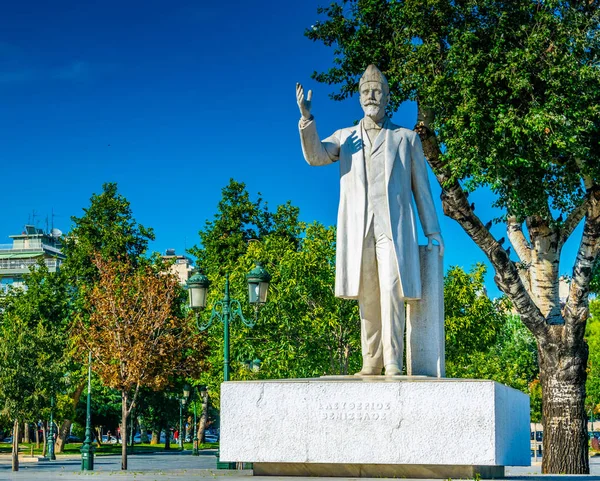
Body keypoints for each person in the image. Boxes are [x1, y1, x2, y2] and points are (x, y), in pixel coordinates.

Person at [297, 65, 444, 376]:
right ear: (359, 97)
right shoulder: (345, 137)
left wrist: (432, 230)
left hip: (394, 229)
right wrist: (307, 120)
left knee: (392, 288)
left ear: (387, 97)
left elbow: (423, 189)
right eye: (366, 92)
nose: (371, 96)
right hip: (359, 227)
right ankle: (371, 360)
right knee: (368, 293)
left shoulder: (405, 139)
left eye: (377, 91)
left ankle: (392, 361)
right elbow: (316, 156)